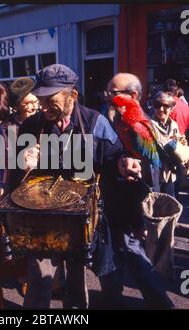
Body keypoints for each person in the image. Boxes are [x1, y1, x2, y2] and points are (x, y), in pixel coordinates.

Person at [11, 64, 144, 309]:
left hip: (79, 219)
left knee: (75, 280)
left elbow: (113, 159)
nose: (42, 106)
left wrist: (122, 165)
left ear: (72, 95)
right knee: (40, 279)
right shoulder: (30, 127)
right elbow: (13, 178)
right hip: (40, 218)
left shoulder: (95, 122)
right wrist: (22, 164)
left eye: (50, 100)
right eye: (40, 99)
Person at [102, 72, 174, 309]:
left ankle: (161, 303)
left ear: (132, 97)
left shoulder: (137, 125)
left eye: (113, 95)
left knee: (134, 254)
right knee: (116, 256)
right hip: (111, 202)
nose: (108, 100)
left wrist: (142, 216)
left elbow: (151, 167)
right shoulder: (114, 121)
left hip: (132, 201)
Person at [150, 91, 183, 197]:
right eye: (157, 105)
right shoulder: (148, 124)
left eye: (165, 106)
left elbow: (178, 145)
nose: (161, 109)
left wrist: (180, 143)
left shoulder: (174, 125)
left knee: (170, 207)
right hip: (154, 176)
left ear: (172, 107)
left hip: (170, 174)